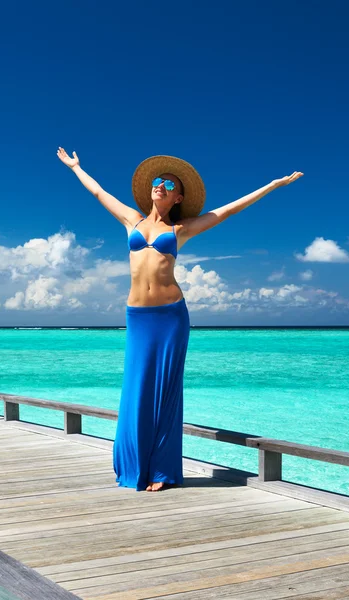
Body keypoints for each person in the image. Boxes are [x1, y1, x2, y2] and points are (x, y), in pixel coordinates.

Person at [57, 148, 303, 491]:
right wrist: (75, 168)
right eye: (157, 181)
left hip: (171, 317)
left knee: (166, 391)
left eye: (167, 184)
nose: (160, 185)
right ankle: (133, 464)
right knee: (137, 388)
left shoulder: (180, 229)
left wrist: (272, 185)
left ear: (178, 197)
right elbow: (98, 192)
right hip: (138, 317)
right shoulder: (132, 219)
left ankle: (161, 470)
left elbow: (228, 210)